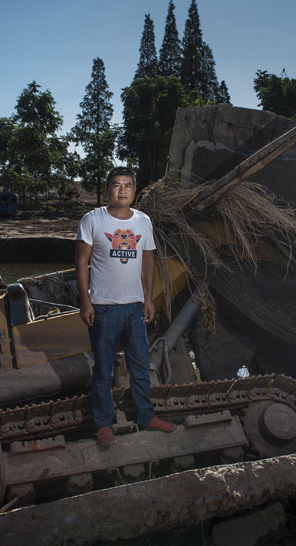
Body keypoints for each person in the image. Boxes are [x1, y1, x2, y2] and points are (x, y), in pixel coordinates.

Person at [75, 167, 175, 446]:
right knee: (104, 370)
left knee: (140, 366)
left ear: (134, 190)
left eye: (128, 185)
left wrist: (148, 298)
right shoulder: (92, 219)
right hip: (103, 306)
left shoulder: (143, 222)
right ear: (108, 189)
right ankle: (103, 424)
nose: (122, 190)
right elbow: (81, 263)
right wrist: (86, 302)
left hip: (133, 308)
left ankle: (146, 416)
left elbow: (148, 261)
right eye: (117, 185)